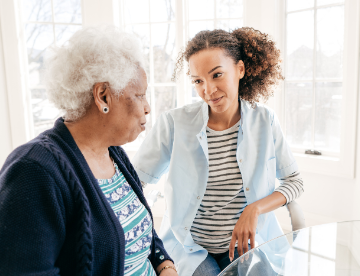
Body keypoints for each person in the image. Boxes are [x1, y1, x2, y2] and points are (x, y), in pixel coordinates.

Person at [0, 26, 178, 276]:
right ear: (103, 96)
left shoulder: (113, 152)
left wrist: (165, 266)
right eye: (139, 95)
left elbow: (140, 229)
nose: (147, 108)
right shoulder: (33, 170)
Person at [132, 27, 304, 276]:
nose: (208, 90)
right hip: (192, 248)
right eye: (198, 81)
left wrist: (253, 209)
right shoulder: (174, 124)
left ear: (241, 70)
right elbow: (136, 180)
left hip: (247, 246)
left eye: (217, 75)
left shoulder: (264, 121)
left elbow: (295, 181)